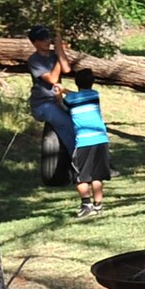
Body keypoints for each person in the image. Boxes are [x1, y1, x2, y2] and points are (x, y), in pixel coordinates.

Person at [24, 25, 78, 176]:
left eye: (48, 37)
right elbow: (53, 79)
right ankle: (79, 164)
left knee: (78, 121)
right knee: (66, 125)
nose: (47, 41)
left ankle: (84, 158)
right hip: (43, 105)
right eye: (42, 39)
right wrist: (58, 56)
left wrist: (59, 49)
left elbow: (66, 69)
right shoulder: (34, 60)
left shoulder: (55, 55)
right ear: (34, 43)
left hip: (58, 101)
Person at [61, 70, 111, 218]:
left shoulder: (69, 99)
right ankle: (98, 206)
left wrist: (59, 92)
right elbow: (77, 97)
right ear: (92, 82)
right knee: (97, 175)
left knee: (80, 176)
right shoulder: (95, 95)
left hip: (84, 141)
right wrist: (64, 90)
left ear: (76, 82)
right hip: (101, 139)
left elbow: (61, 103)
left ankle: (86, 204)